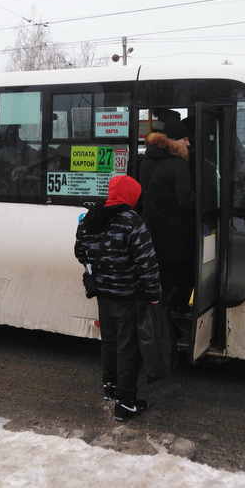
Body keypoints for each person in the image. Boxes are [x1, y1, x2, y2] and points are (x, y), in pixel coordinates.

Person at [74, 175, 161, 422]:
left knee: (109, 342)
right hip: (128, 298)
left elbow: (80, 253)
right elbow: (147, 263)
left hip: (103, 295)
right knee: (127, 349)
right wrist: (154, 294)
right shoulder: (132, 222)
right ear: (131, 196)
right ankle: (125, 403)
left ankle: (109, 386)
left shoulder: (90, 218)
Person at [138, 119, 196, 313]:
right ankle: (167, 327)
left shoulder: (146, 160)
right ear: (173, 141)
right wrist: (208, 200)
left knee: (157, 283)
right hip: (174, 238)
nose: (188, 143)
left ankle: (157, 324)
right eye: (185, 139)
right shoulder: (178, 164)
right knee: (174, 284)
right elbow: (186, 200)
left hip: (151, 234)